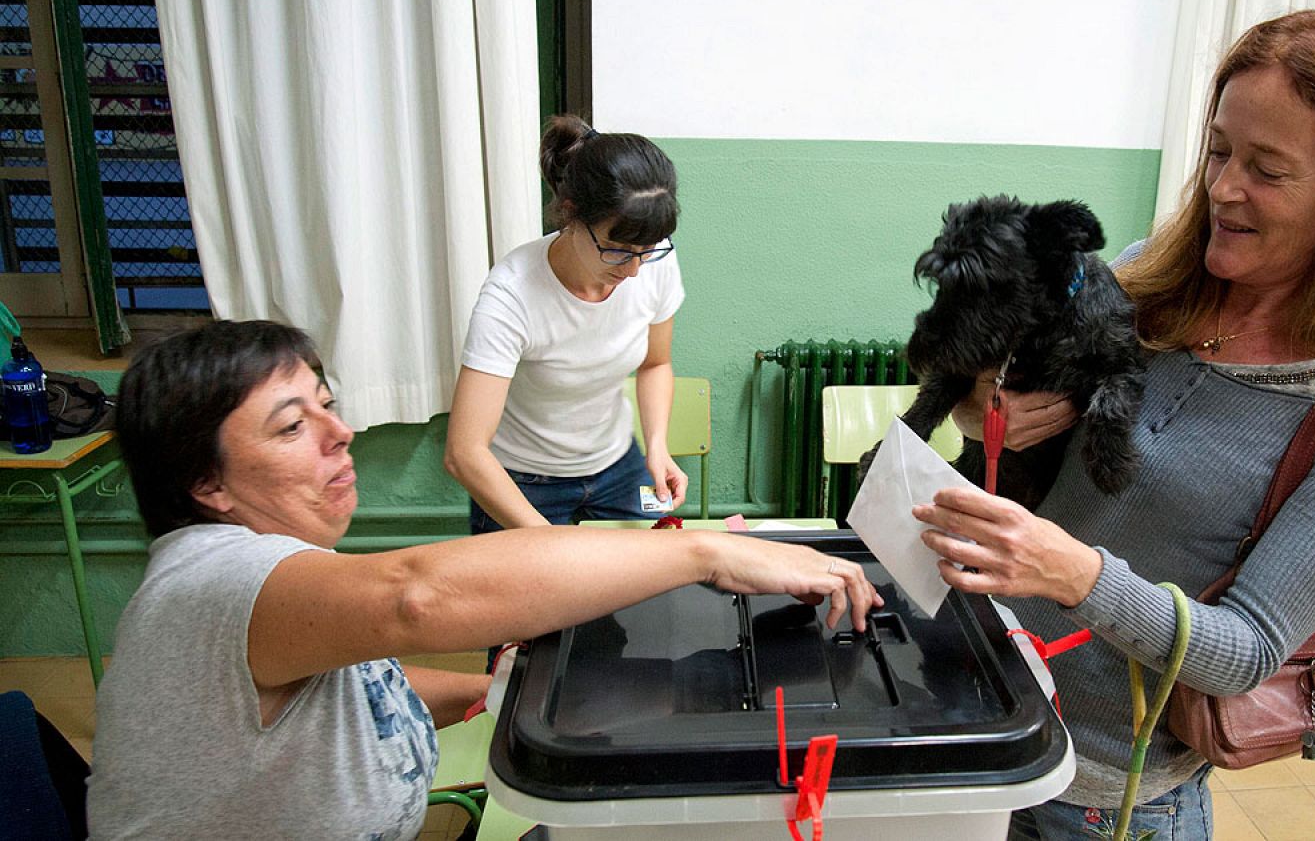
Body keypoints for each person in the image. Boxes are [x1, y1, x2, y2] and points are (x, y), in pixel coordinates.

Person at [917, 8, 1315, 840]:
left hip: (1103, 801)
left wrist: (1078, 574)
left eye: (1269, 170)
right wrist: (991, 401)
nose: (1225, 188)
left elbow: (1245, 651)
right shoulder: (1139, 284)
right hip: (976, 721)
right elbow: (975, 416)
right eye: (1220, 151)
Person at [86, 320, 879, 839]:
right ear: (209, 485)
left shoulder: (264, 585)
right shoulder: (212, 580)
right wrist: (703, 551)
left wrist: (493, 693)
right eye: (293, 426)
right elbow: (417, 596)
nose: (341, 433)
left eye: (327, 406)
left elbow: (368, 686)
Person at [445, 114, 688, 531]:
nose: (633, 270)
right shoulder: (512, 294)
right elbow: (464, 452)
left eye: (646, 250)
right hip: (523, 480)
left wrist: (658, 446)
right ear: (570, 216)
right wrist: (551, 543)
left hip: (616, 464)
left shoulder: (651, 260)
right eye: (616, 250)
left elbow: (655, 364)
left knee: (643, 588)